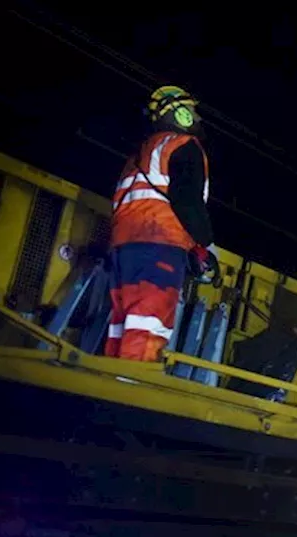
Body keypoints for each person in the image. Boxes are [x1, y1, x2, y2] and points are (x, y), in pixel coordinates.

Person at [106, 85, 215, 361]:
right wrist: (204, 244)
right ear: (179, 114)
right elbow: (187, 201)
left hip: (123, 248)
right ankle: (131, 389)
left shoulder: (141, 154)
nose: (197, 118)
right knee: (148, 323)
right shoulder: (183, 147)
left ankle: (107, 383)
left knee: (123, 323)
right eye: (192, 111)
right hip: (159, 245)